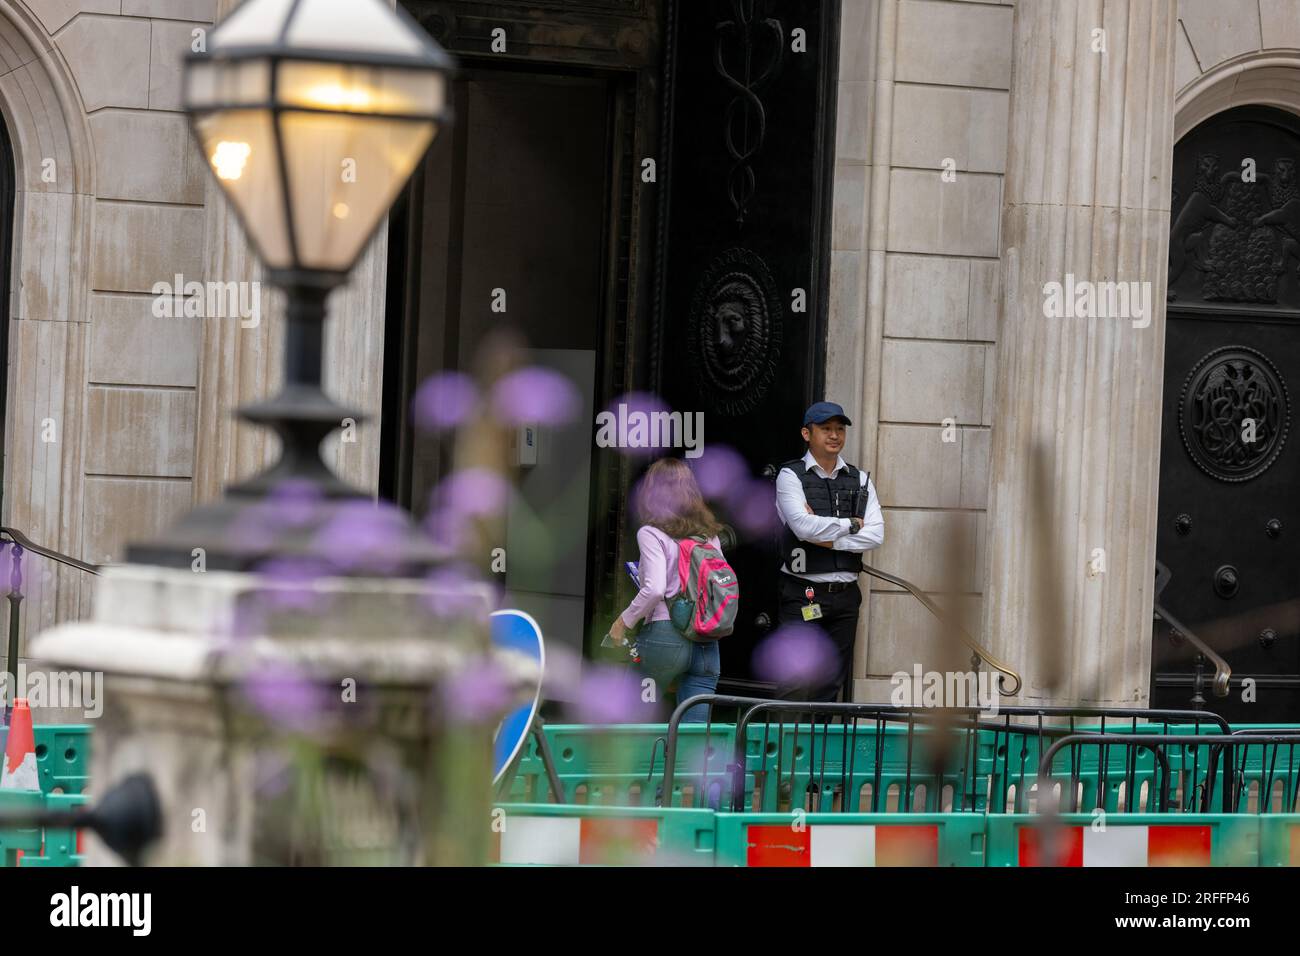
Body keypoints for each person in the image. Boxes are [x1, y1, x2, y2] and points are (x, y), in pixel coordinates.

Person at [773, 401, 884, 701]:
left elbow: (876, 535)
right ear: (807, 434)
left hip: (846, 596)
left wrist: (826, 535)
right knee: (796, 682)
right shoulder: (790, 476)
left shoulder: (860, 480)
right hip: (802, 594)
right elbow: (802, 528)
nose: (834, 435)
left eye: (839, 429)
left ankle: (817, 749)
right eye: (826, 429)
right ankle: (788, 748)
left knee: (829, 685)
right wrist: (851, 525)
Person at [607, 458, 725, 721]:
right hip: (706, 640)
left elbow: (655, 588)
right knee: (695, 730)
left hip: (665, 633)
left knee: (634, 719)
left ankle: (642, 764)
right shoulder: (710, 535)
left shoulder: (652, 532)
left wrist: (623, 621)